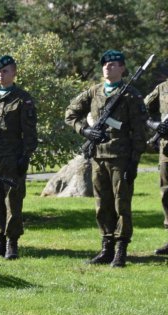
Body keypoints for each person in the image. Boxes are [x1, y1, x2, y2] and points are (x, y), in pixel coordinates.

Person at [65, 50, 147, 267]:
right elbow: (70, 113)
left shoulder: (131, 95)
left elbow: (140, 131)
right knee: (102, 205)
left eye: (112, 65)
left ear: (122, 68)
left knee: (122, 205)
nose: (107, 68)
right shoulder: (94, 92)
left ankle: (121, 249)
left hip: (121, 158)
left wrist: (135, 160)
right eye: (105, 65)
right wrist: (85, 132)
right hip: (99, 157)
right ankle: (106, 247)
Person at [0, 55, 38, 260]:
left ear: (14, 73)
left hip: (13, 154)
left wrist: (26, 156)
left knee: (13, 199)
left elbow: (29, 132)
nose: (1, 75)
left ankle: (12, 242)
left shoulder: (23, 98)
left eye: (5, 71)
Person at [144, 80, 168, 255]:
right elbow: (140, 107)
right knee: (167, 193)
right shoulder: (162, 88)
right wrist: (153, 124)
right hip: (167, 149)